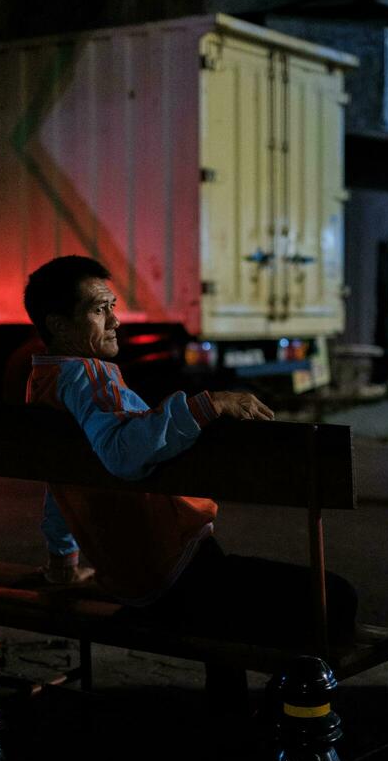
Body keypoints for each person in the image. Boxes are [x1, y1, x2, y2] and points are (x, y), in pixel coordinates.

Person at [23, 255, 356, 645]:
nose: (115, 320)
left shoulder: (42, 383)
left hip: (132, 583)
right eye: (99, 310)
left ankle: (234, 700)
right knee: (335, 599)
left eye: (112, 306)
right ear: (58, 325)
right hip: (176, 573)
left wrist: (63, 561)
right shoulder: (87, 373)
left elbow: (60, 480)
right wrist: (207, 405)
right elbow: (121, 454)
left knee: (240, 607)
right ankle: (304, 702)